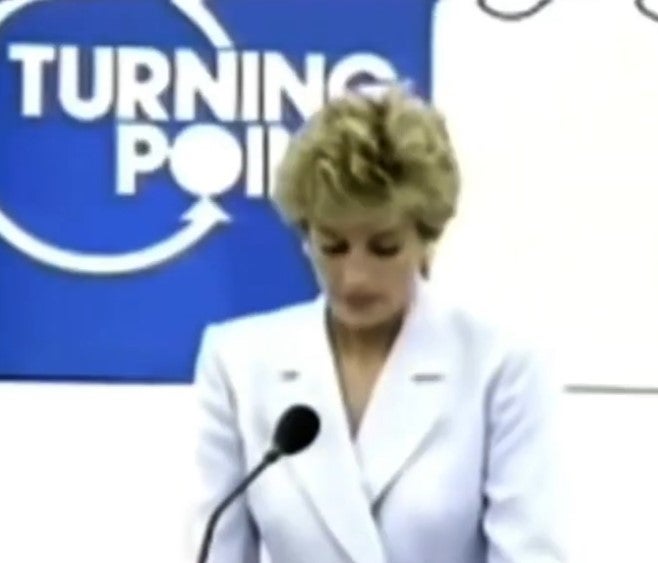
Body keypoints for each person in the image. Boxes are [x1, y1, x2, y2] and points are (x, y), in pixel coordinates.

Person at [191, 84, 566, 563]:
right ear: (305, 237)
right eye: (332, 246)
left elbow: (530, 552)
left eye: (384, 247)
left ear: (426, 237)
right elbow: (213, 548)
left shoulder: (501, 367)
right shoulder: (238, 364)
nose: (355, 277)